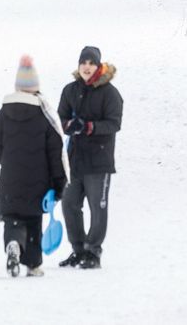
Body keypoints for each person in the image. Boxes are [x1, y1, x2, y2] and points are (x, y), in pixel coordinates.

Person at [0, 55, 68, 278]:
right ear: (36, 88)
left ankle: (13, 243)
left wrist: (8, 162)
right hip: (37, 182)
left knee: (12, 218)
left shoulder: (4, 112)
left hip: (9, 180)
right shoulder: (44, 115)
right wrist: (59, 184)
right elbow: (56, 153)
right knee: (33, 222)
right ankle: (33, 265)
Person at [57, 46, 123, 269]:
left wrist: (89, 127)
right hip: (73, 161)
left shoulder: (110, 93)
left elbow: (114, 123)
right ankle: (78, 250)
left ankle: (93, 252)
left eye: (90, 63)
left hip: (99, 161)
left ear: (98, 66)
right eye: (83, 63)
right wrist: (69, 125)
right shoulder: (70, 90)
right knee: (69, 205)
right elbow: (60, 120)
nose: (86, 67)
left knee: (98, 206)